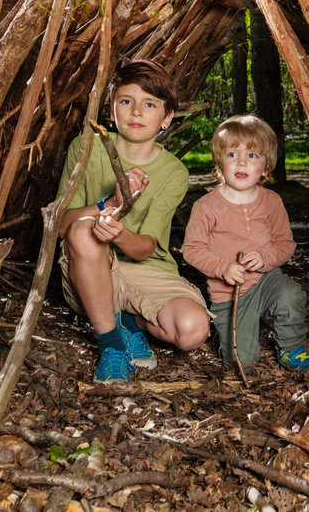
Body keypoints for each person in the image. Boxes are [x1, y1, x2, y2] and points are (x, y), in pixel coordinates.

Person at [56, 61, 210, 383]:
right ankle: (111, 346)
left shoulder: (174, 172)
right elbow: (59, 225)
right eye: (126, 101)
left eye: (150, 104)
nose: (137, 112)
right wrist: (111, 204)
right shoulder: (88, 148)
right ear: (111, 111)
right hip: (91, 271)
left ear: (167, 118)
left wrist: (121, 232)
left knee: (192, 330)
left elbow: (144, 249)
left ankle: (128, 322)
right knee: (84, 228)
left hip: (147, 270)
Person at [182, 115, 309, 373]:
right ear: (219, 162)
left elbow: (285, 244)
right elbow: (191, 250)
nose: (241, 162)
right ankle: (222, 340)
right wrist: (222, 267)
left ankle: (290, 348)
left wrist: (265, 257)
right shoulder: (205, 206)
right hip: (228, 296)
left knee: (290, 293)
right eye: (232, 154)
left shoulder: (272, 202)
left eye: (252, 156)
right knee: (241, 364)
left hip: (265, 281)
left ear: (266, 167)